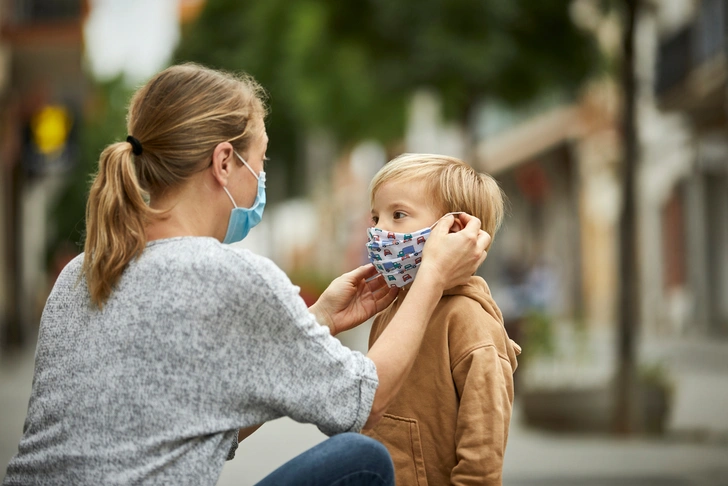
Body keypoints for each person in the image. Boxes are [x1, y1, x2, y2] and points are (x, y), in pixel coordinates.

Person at [2, 64, 491, 486]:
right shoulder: (227, 274)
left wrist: (315, 323)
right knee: (362, 459)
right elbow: (365, 399)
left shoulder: (81, 272)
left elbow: (188, 427)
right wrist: (431, 275)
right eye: (260, 160)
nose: (261, 175)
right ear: (223, 162)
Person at [362, 154, 521, 485]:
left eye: (398, 214)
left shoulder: (470, 322)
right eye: (376, 217)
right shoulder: (392, 311)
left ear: (456, 230)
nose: (378, 231)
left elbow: (482, 459)